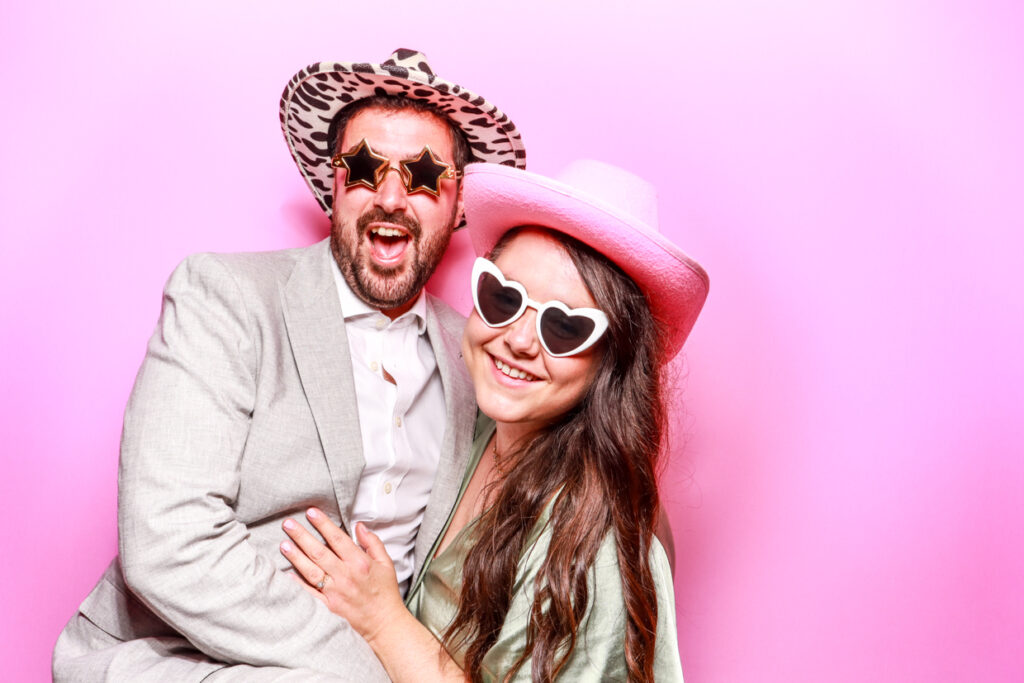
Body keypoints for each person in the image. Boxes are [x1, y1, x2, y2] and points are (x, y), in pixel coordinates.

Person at [52, 49, 526, 682]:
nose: (391, 197)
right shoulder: (225, 297)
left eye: (422, 176)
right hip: (178, 656)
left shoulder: (476, 354)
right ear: (332, 184)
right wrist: (374, 669)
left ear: (457, 200)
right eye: (363, 168)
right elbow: (168, 541)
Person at [280, 160, 710, 681]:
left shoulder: (593, 540)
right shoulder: (471, 430)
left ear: (610, 361)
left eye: (566, 327)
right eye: (503, 298)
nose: (520, 340)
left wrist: (381, 618)